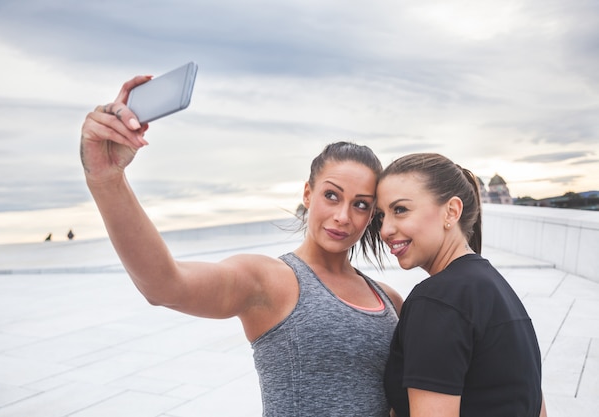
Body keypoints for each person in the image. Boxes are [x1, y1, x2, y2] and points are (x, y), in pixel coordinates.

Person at [79, 75, 402, 417]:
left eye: (361, 204)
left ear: (372, 215)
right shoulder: (268, 279)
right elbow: (164, 285)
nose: (343, 216)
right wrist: (106, 179)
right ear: (308, 194)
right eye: (332, 195)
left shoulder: (389, 300)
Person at [375, 153, 547, 417]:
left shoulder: (436, 301)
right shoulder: (497, 288)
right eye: (381, 216)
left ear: (452, 211)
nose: (385, 229)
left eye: (400, 210)